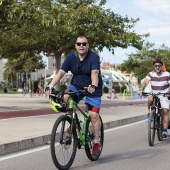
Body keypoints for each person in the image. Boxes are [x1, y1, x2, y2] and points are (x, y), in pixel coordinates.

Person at [46, 36, 103, 155]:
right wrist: (50, 86)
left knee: (93, 114)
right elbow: (61, 72)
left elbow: (95, 73)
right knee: (66, 97)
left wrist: (93, 85)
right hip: (76, 86)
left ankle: (97, 142)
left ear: (88, 45)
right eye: (79, 44)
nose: (81, 46)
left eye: (84, 43)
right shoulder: (71, 57)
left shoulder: (94, 57)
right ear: (75, 45)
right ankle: (76, 123)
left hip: (93, 88)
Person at [138, 58, 170, 138]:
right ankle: (150, 114)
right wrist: (141, 89)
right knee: (150, 99)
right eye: (156, 66)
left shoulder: (167, 74)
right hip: (154, 93)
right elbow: (145, 82)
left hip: (164, 94)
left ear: (162, 66)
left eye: (159, 65)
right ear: (153, 66)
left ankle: (164, 130)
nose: (157, 67)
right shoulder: (150, 74)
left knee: (165, 111)